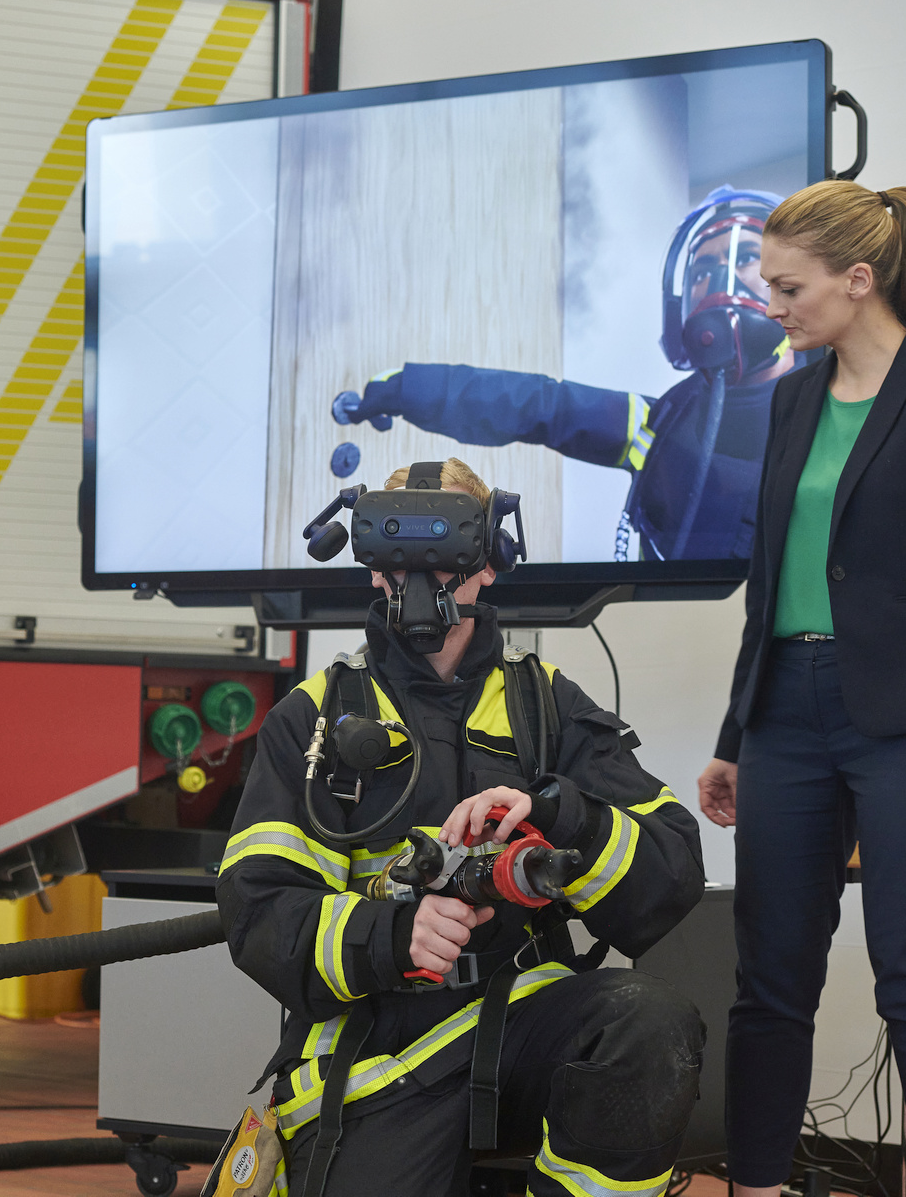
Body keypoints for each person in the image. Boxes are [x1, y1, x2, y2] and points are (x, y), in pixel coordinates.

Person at [218, 458, 707, 1197]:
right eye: (393, 556)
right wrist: (392, 936)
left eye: (444, 556)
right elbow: (257, 912)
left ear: (489, 565)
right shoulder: (313, 720)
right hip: (378, 1052)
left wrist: (560, 812)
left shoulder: (548, 709)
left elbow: (673, 867)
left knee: (647, 1022)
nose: (416, 583)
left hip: (522, 1017)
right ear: (370, 566)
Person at [694, 181, 906, 1197]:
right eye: (765, 284)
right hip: (786, 711)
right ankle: (755, 1186)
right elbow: (773, 580)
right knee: (770, 985)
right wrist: (734, 731)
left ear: (859, 279)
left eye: (788, 286)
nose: (771, 304)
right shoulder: (793, 396)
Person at [339, 187, 799, 561]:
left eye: (743, 259)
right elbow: (538, 404)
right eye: (704, 268)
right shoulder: (661, 425)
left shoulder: (830, 411)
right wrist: (408, 388)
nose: (719, 279)